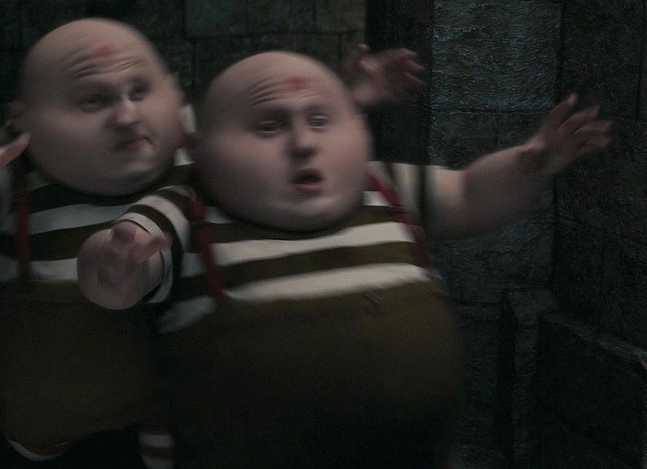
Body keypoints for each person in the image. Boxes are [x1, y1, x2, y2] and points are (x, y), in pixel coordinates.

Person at [0, 15, 426, 466]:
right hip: (54, 390)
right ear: (23, 120)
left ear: (175, 96)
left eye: (140, 91)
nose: (126, 115)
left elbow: (278, 134)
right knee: (40, 441)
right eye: (92, 100)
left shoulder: (193, 141)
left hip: (176, 383)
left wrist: (343, 98)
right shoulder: (11, 164)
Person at [76, 51, 611, 468]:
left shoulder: (383, 186)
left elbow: (472, 194)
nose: (303, 143)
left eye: (320, 120)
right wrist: (116, 265)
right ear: (201, 150)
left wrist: (527, 166)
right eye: (268, 126)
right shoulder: (190, 211)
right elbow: (119, 266)